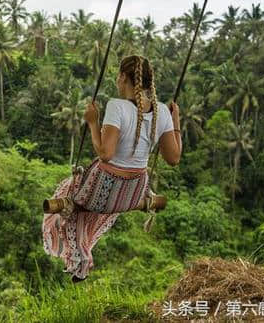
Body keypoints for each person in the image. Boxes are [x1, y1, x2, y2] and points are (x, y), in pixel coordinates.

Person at [42, 55, 182, 283]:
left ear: (124, 78)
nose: (117, 80)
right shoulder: (163, 113)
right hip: (133, 192)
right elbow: (174, 158)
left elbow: (105, 154)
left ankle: (79, 258)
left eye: (118, 76)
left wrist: (92, 122)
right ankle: (80, 258)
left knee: (70, 198)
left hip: (101, 190)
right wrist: (176, 122)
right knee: (82, 204)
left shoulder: (117, 107)